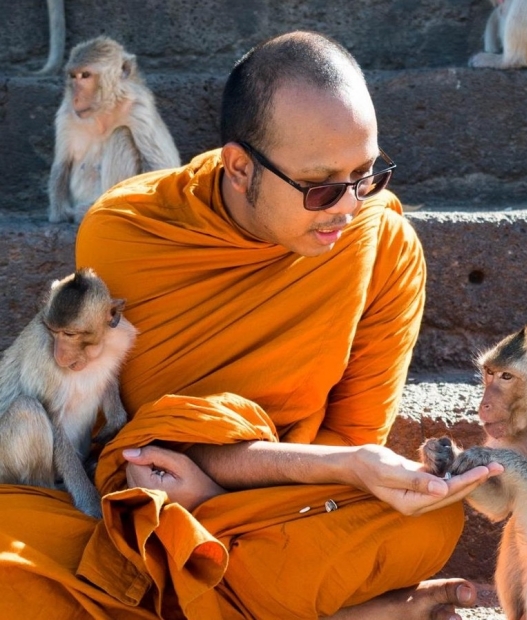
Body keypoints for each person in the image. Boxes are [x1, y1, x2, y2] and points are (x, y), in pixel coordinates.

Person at [0, 31, 500, 619]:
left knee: (426, 524)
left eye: (367, 176)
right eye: (322, 187)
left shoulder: (381, 245)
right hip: (139, 497)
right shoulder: (126, 234)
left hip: (270, 502)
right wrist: (189, 481)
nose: (349, 207)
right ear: (240, 168)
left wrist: (215, 491)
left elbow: (345, 448)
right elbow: (134, 439)